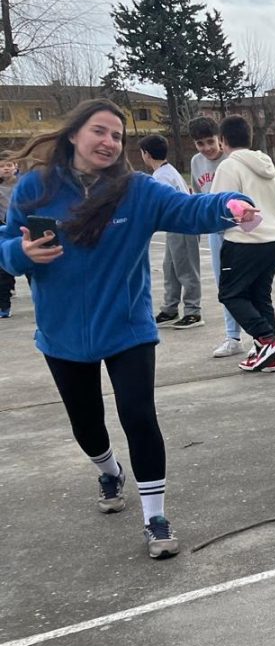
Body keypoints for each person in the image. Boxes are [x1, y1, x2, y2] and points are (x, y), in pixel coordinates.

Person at [0, 100, 255, 558]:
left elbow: (189, 209)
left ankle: (155, 516)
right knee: (86, 424)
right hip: (62, 332)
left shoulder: (135, 190)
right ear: (74, 134)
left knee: (139, 416)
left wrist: (231, 205)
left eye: (117, 136)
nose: (109, 142)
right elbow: (7, 246)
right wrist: (21, 255)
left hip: (127, 327)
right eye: (99, 131)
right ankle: (109, 471)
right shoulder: (37, 186)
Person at [210, 115, 275, 373]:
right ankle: (268, 357)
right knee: (260, 296)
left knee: (230, 294)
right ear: (250, 137)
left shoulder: (229, 166)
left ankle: (267, 339)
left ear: (222, 141)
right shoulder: (267, 164)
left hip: (245, 241)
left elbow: (218, 206)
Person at [189, 117, 245, 359]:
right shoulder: (196, 162)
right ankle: (233, 337)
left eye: (210, 141)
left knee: (249, 284)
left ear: (220, 139)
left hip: (239, 229)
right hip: (215, 229)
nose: (206, 148)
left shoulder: (232, 160)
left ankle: (263, 337)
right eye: (200, 143)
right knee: (224, 284)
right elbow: (198, 195)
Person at [139, 136, 204, 331]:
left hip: (183, 226)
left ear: (146, 154)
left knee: (186, 270)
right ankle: (170, 309)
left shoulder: (162, 176)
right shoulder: (165, 171)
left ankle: (193, 311)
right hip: (174, 228)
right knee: (170, 269)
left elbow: (162, 204)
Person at [0, 158, 18, 318]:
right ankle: (4, 306)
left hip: (23, 228)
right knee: (3, 271)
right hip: (3, 230)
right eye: (1, 166)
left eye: (9, 165)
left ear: (15, 167)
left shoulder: (24, 185)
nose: (5, 168)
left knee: (33, 271)